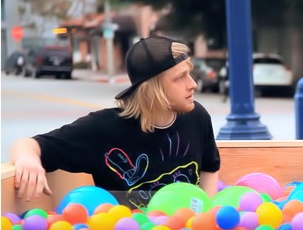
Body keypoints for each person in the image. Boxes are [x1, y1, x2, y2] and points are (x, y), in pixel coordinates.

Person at [10, 36, 221, 208]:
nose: (192, 84)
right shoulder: (103, 128)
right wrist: (28, 159)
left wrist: (206, 212)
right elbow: (31, 144)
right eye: (180, 77)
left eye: (189, 74)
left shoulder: (197, 117)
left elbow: (210, 167)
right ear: (153, 89)